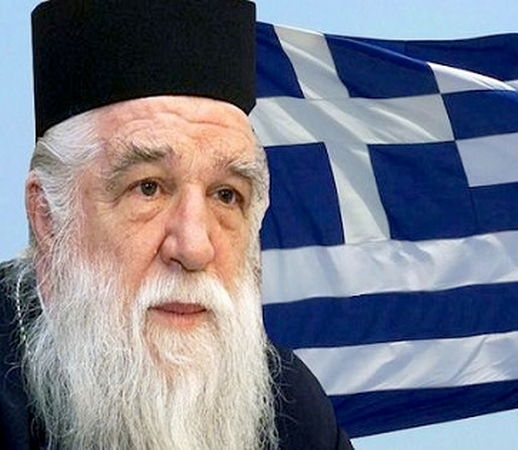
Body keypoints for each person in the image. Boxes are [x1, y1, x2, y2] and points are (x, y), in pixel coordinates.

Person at [0, 0, 353, 448]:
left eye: (226, 195)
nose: (194, 248)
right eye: (148, 188)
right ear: (49, 219)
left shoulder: (293, 411)